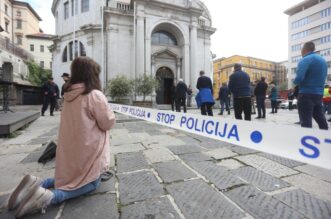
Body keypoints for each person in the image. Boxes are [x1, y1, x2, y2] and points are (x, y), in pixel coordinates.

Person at [8, 57, 116, 218]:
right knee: (93, 181)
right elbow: (107, 123)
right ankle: (50, 196)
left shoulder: (69, 94)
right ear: (92, 75)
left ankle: (37, 183)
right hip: (89, 148)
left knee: (70, 177)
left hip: (70, 146)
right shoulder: (94, 95)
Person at [293, 41, 328, 130]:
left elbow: (299, 78)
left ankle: (306, 140)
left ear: (304, 49)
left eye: (301, 49)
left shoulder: (305, 59)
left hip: (306, 94)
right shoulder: (323, 60)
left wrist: (296, 82)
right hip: (319, 94)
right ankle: (326, 138)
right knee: (320, 118)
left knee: (306, 121)